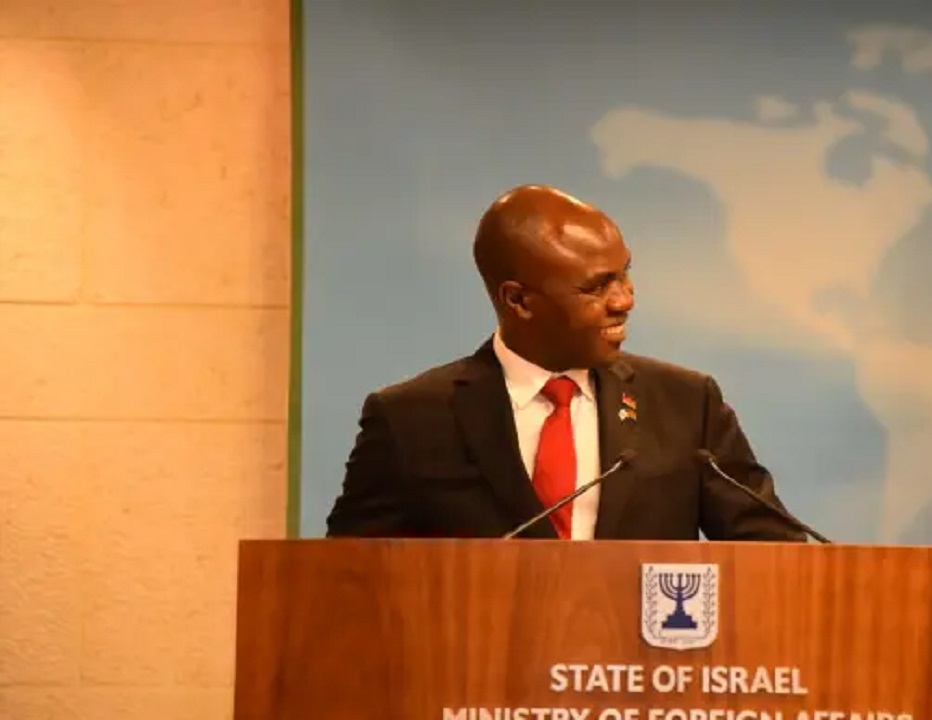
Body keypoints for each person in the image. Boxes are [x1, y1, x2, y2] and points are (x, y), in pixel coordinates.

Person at [325, 184, 806, 542]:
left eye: (624, 275)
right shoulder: (410, 419)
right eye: (597, 287)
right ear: (519, 301)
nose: (624, 300)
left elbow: (775, 556)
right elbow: (346, 580)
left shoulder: (686, 404)